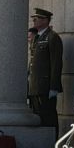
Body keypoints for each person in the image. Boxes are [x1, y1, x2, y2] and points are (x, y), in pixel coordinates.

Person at [28, 8, 63, 140]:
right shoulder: (37, 37)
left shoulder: (52, 37)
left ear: (45, 20)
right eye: (34, 19)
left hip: (46, 85)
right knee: (38, 116)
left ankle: (52, 142)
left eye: (37, 19)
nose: (34, 21)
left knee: (48, 116)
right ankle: (42, 141)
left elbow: (56, 63)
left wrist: (54, 86)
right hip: (35, 85)